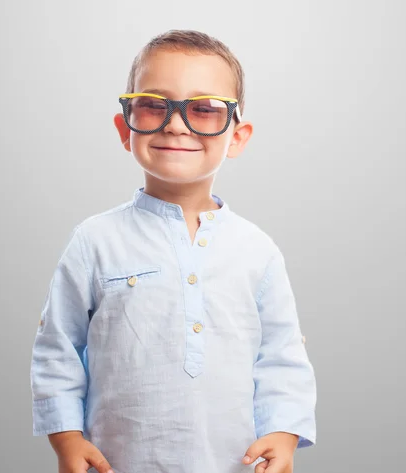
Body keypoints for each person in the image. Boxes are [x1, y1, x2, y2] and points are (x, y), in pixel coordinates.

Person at [30, 29, 316, 473]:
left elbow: (282, 355)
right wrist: (66, 438)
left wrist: (285, 432)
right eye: (154, 105)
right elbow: (57, 348)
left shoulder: (257, 251)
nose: (176, 124)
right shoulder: (95, 241)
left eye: (204, 110)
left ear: (237, 137)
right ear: (125, 128)